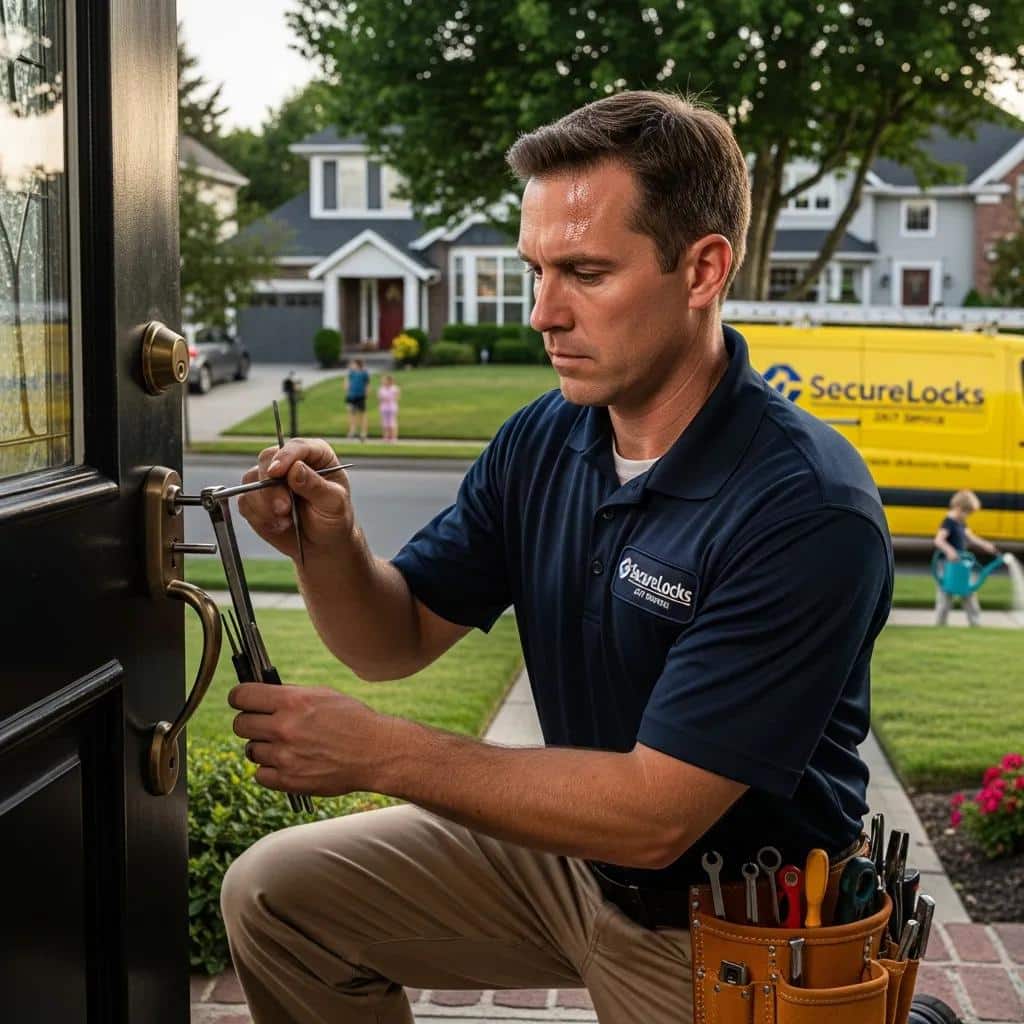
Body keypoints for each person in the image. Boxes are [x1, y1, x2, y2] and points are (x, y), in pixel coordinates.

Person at [222, 91, 893, 1024]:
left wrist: (380, 751)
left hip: (731, 925)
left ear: (702, 270)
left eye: (584, 271)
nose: (543, 312)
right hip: (571, 865)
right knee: (277, 895)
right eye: (535, 270)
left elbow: (655, 814)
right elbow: (393, 638)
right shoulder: (546, 438)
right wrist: (329, 545)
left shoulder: (806, 507)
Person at [933, 489, 1000, 627]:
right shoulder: (948, 522)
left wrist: (985, 545)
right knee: (946, 595)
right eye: (967, 512)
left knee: (969, 592)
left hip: (961, 564)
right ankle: (940, 624)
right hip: (947, 566)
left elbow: (970, 537)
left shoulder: (961, 522)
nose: (968, 516)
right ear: (958, 508)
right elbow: (938, 540)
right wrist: (950, 551)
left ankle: (975, 623)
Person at [344, 358, 370, 441]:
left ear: (357, 364)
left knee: (362, 415)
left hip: (360, 396)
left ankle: (363, 433)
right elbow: (347, 383)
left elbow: (367, 384)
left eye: (353, 364)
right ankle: (352, 432)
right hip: (351, 396)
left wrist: (366, 394)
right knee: (351, 414)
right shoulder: (351, 373)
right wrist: (347, 390)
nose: (351, 365)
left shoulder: (364, 373)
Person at [377, 372, 401, 443]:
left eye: (384, 380)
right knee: (384, 423)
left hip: (392, 407)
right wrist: (384, 399)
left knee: (392, 422)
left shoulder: (395, 388)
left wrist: (390, 398)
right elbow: (379, 398)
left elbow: (397, 397)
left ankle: (393, 437)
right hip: (384, 407)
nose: (383, 381)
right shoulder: (381, 389)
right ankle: (386, 437)